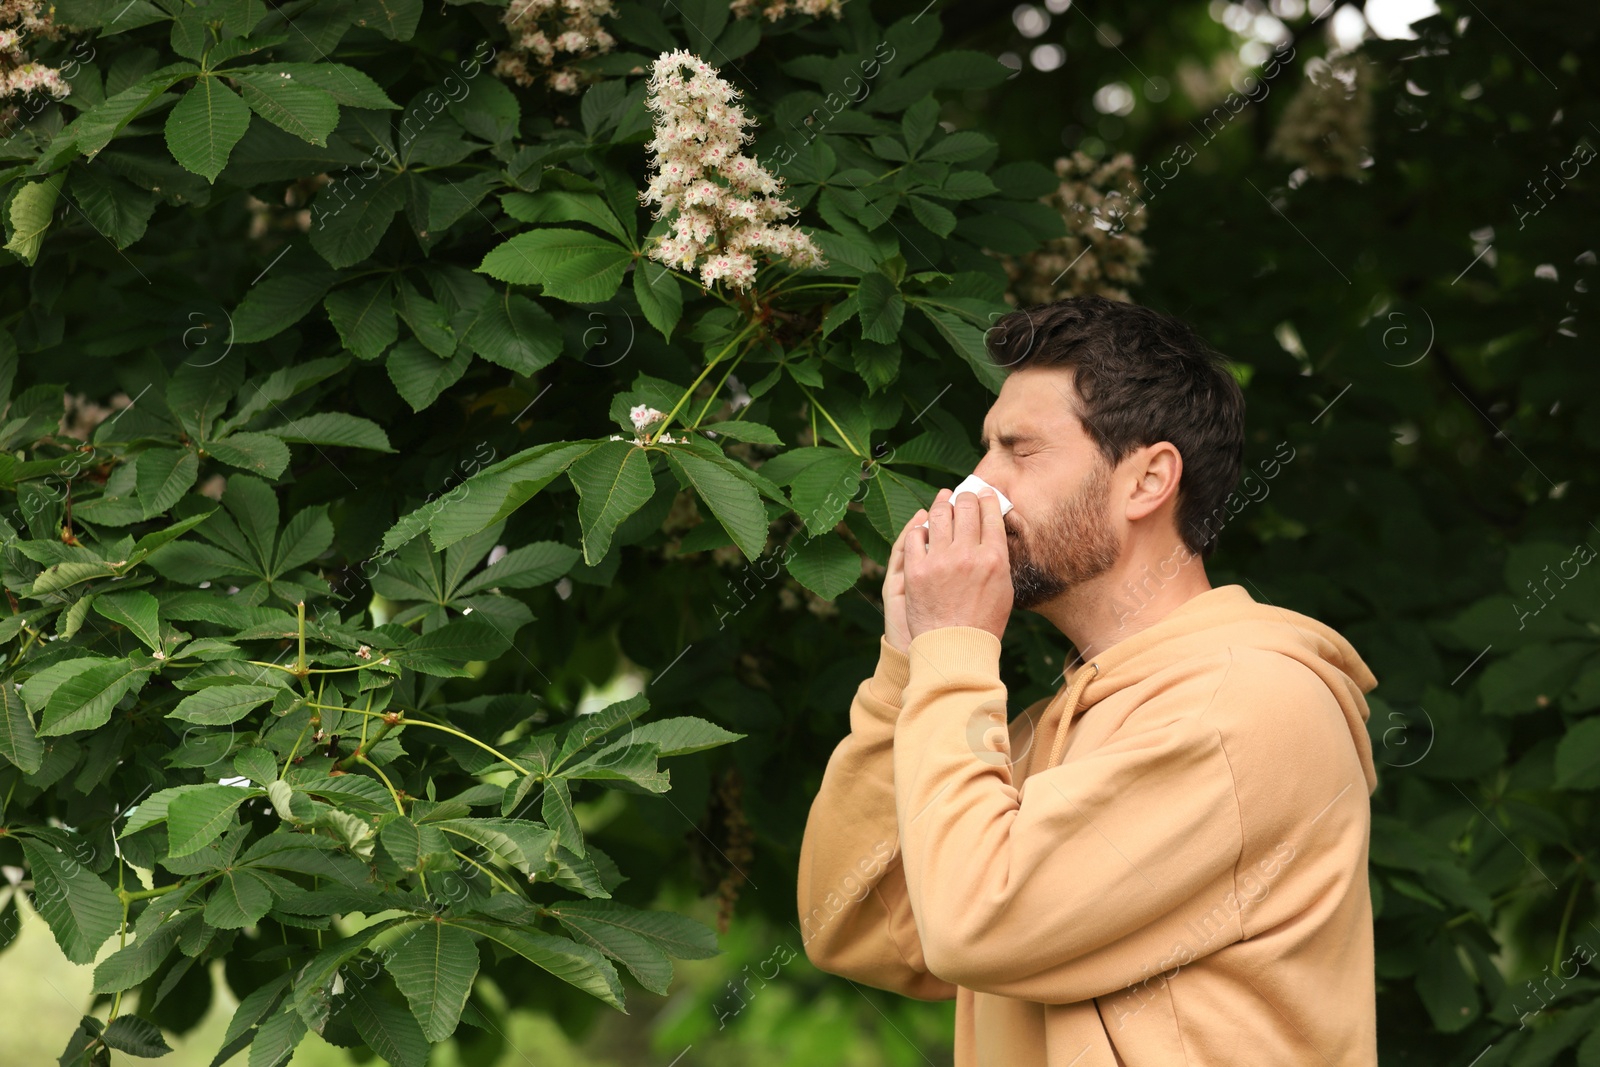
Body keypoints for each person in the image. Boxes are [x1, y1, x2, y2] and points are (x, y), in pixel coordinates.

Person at [796, 295, 1380, 1065]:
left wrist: (958, 651)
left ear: (1147, 481)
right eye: (984, 449)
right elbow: (856, 922)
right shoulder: (1062, 723)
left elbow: (975, 920)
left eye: (1019, 450)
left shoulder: (1242, 704)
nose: (978, 486)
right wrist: (910, 667)